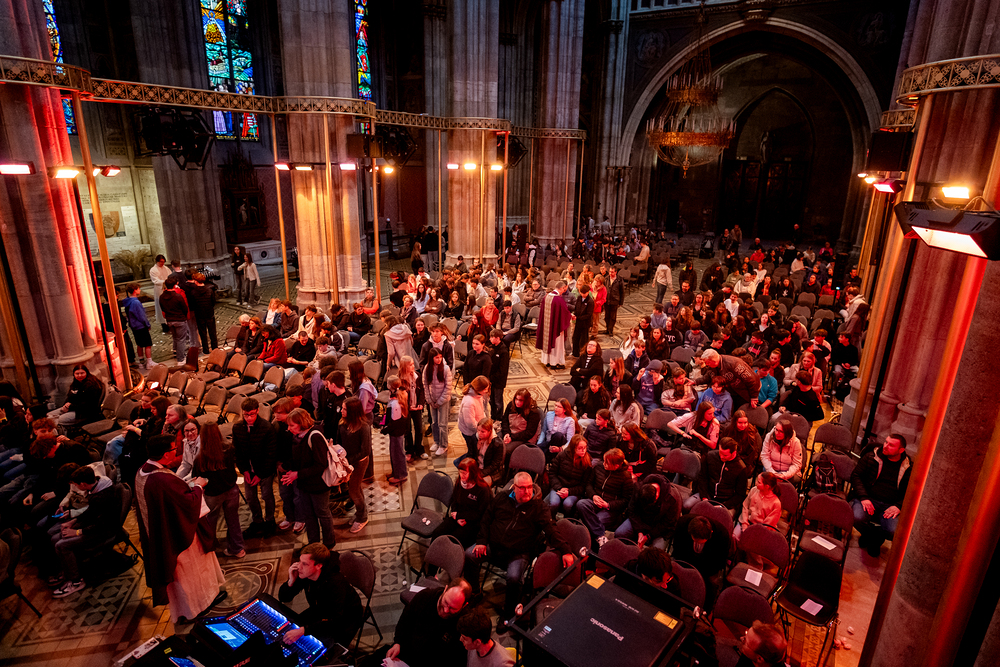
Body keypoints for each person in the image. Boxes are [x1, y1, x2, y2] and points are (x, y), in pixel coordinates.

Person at [134, 434, 226, 624]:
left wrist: (186, 486)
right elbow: (188, 503)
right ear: (165, 454)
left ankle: (184, 610)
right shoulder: (162, 479)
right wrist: (198, 486)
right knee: (192, 572)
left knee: (179, 579)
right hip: (180, 535)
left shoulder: (142, 472)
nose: (176, 452)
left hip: (163, 535)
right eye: (174, 449)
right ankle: (201, 605)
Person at [465, 472, 573, 617]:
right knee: (469, 555)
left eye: (529, 487)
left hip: (518, 553)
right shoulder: (502, 497)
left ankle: (509, 614)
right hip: (493, 546)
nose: (527, 491)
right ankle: (475, 592)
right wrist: (481, 541)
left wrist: (565, 550)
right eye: (522, 488)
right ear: (514, 487)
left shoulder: (539, 507)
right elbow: (486, 519)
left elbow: (551, 530)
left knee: (514, 578)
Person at [278, 543, 363, 648]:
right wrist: (291, 582)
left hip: (346, 618)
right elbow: (284, 598)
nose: (299, 567)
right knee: (292, 626)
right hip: (320, 610)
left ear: (318, 566)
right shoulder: (305, 574)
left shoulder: (335, 584)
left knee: (326, 649)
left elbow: (334, 621)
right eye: (299, 561)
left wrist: (304, 630)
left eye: (304, 564)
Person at [383, 580, 472, 667]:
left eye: (453, 608)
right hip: (407, 652)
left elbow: (457, 658)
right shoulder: (425, 596)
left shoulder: (464, 623)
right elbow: (405, 621)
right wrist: (397, 643)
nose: (445, 610)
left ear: (464, 605)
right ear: (445, 589)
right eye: (445, 602)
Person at [851, 434, 911, 558]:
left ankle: (875, 538)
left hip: (891, 504)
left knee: (894, 531)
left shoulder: (908, 467)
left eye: (891, 445)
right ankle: (871, 536)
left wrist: (899, 506)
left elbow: (911, 492)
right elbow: (856, 476)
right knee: (856, 517)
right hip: (868, 498)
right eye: (886, 442)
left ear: (901, 450)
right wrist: (864, 497)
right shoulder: (871, 457)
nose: (885, 446)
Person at [283, 409, 336, 547]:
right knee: (308, 515)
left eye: (292, 425)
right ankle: (314, 544)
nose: (289, 429)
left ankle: (328, 544)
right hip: (304, 484)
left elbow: (320, 465)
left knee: (322, 514)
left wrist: (297, 474)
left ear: (301, 423)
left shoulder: (315, 436)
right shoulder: (297, 437)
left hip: (318, 485)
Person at [193, 422, 245, 558]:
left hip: (212, 494)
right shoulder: (228, 448)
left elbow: (197, 477)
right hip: (231, 489)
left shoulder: (201, 457)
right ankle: (237, 549)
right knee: (233, 520)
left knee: (210, 523)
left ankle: (210, 549)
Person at [232, 397, 278, 537]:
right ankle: (257, 520)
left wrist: (260, 475)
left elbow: (271, 455)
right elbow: (237, 452)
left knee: (266, 495)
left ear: (257, 411)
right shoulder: (237, 428)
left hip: (264, 469)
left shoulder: (267, 428)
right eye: (246, 415)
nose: (249, 418)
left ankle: (270, 521)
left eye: (252, 414)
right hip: (248, 469)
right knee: (250, 497)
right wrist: (244, 470)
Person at [576, 448, 635, 547]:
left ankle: (588, 543)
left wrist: (608, 505)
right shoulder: (599, 466)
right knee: (581, 504)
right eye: (604, 461)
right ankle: (600, 537)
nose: (604, 464)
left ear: (616, 466)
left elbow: (626, 500)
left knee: (597, 520)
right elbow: (589, 484)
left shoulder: (625, 477)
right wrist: (593, 496)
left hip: (611, 508)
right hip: (596, 500)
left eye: (607, 463)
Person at [615, 473, 678, 548]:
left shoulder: (671, 498)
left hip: (658, 528)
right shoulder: (638, 488)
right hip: (640, 521)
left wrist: (648, 536)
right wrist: (639, 531)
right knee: (620, 533)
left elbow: (667, 524)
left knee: (657, 549)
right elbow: (632, 511)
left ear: (656, 496)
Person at [438, 458, 492, 547]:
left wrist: (459, 515)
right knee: (438, 532)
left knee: (453, 541)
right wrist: (456, 515)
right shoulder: (460, 482)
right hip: (458, 516)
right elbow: (454, 499)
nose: (461, 475)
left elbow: (480, 514)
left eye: (464, 473)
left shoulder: (482, 489)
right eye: (460, 472)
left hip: (472, 523)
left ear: (473, 473)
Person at [689, 437, 750, 512]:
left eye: (725, 455)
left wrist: (723, 505)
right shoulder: (710, 456)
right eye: (720, 453)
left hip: (725, 502)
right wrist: (704, 497)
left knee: (719, 516)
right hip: (707, 495)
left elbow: (740, 495)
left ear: (734, 453)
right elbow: (702, 477)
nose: (721, 457)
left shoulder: (741, 468)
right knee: (687, 506)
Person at [338, 397, 371, 533]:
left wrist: (349, 460)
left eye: (344, 409)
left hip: (359, 462)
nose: (341, 411)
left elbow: (365, 450)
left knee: (353, 491)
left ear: (352, 411)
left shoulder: (363, 427)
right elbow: (340, 441)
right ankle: (360, 514)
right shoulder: (343, 423)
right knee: (356, 488)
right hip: (348, 461)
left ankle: (362, 518)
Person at [548, 434, 595, 518]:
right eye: (580, 448)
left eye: (585, 448)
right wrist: (560, 488)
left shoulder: (587, 462)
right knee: (554, 503)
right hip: (559, 486)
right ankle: (551, 521)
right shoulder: (562, 455)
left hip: (574, 490)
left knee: (568, 504)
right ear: (573, 448)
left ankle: (567, 522)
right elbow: (552, 473)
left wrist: (569, 492)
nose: (583, 450)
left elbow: (584, 485)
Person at [47, 364, 103, 429]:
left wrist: (70, 407)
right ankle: (55, 431)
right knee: (49, 415)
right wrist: (66, 405)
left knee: (60, 419)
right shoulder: (75, 383)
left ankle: (59, 432)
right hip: (73, 407)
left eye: (82, 373)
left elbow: (88, 405)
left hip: (84, 412)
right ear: (74, 374)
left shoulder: (91, 385)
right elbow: (69, 396)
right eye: (77, 373)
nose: (80, 375)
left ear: (87, 373)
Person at [423, 347, 453, 457]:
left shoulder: (445, 369)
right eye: (436, 357)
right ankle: (437, 442)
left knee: (442, 424)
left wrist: (439, 401)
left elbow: (448, 387)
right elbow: (425, 385)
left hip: (443, 400)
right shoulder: (427, 368)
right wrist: (429, 400)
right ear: (431, 358)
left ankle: (443, 445)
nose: (439, 359)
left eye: (440, 357)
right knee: (434, 422)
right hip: (432, 400)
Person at [735, 472, 782, 539]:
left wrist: (752, 532)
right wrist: (744, 524)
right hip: (747, 522)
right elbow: (745, 506)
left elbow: (767, 525)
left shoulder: (776, 503)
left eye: (759, 482)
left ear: (767, 486)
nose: (756, 483)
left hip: (761, 530)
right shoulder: (754, 490)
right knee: (735, 537)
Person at [536, 281, 572, 369]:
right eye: (564, 289)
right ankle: (554, 362)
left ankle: (547, 361)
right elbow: (564, 313)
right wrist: (571, 316)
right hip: (556, 327)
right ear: (561, 288)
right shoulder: (558, 299)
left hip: (547, 327)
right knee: (557, 344)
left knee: (547, 341)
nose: (564, 291)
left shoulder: (546, 297)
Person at [760, 419, 803, 484]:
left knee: (784, 484)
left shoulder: (796, 442)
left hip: (789, 472)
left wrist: (784, 475)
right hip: (771, 469)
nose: (777, 433)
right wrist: (773, 473)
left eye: (781, 431)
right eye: (776, 430)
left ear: (787, 433)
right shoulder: (769, 437)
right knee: (767, 480)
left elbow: (797, 464)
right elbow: (764, 456)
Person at [159, 275, 191, 363]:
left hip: (169, 320)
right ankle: (181, 358)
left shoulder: (161, 297)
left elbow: (162, 308)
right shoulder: (178, 296)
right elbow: (184, 308)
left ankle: (175, 351)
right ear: (175, 285)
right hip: (180, 319)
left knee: (175, 337)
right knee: (181, 339)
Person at [384, 376, 409, 485]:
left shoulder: (395, 402)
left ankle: (400, 475)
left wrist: (385, 429)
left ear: (390, 386)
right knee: (394, 453)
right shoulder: (396, 397)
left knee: (398, 453)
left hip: (397, 432)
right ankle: (395, 472)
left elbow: (394, 421)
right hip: (396, 431)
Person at [123, 283, 154, 369]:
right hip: (141, 326)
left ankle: (141, 361)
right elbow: (141, 315)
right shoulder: (136, 302)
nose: (140, 290)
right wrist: (147, 324)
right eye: (138, 289)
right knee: (148, 344)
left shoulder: (128, 302)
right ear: (135, 290)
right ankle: (149, 362)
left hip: (134, 326)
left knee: (139, 344)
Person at [458, 376, 490, 460]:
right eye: (485, 389)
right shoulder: (469, 402)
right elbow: (470, 423)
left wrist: (485, 423)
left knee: (476, 451)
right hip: (470, 432)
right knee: (473, 452)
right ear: (479, 388)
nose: (487, 390)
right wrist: (481, 431)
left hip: (477, 429)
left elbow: (481, 411)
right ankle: (461, 463)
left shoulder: (478, 395)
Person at [470, 418, 504, 485]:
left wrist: (481, 473)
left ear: (489, 431)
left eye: (482, 432)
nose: (479, 433)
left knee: (480, 484)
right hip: (478, 468)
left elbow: (495, 465)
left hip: (492, 472)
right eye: (478, 430)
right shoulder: (475, 438)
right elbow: (471, 455)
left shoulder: (497, 444)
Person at [488, 330, 510, 418]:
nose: (490, 339)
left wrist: (492, 378)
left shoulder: (504, 352)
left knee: (498, 401)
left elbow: (502, 370)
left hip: (498, 381)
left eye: (491, 337)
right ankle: (493, 416)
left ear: (497, 338)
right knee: (491, 400)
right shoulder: (491, 347)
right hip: (491, 379)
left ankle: (499, 417)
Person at [571, 283, 595, 357]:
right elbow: (576, 308)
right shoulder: (579, 298)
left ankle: (583, 354)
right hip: (578, 322)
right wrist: (574, 314)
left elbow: (589, 314)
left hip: (585, 323)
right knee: (575, 338)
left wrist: (579, 317)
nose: (583, 295)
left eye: (585, 293)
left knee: (583, 340)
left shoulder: (590, 302)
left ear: (588, 292)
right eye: (582, 293)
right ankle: (575, 352)